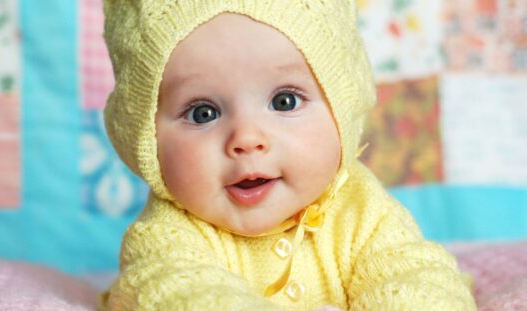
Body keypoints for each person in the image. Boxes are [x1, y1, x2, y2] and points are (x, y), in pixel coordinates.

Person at [99, 1, 476, 310]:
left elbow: (412, 274)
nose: (247, 139)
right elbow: (177, 294)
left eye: (285, 101)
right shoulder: (166, 236)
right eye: (203, 113)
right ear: (145, 138)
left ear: (341, 110)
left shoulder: (361, 209)